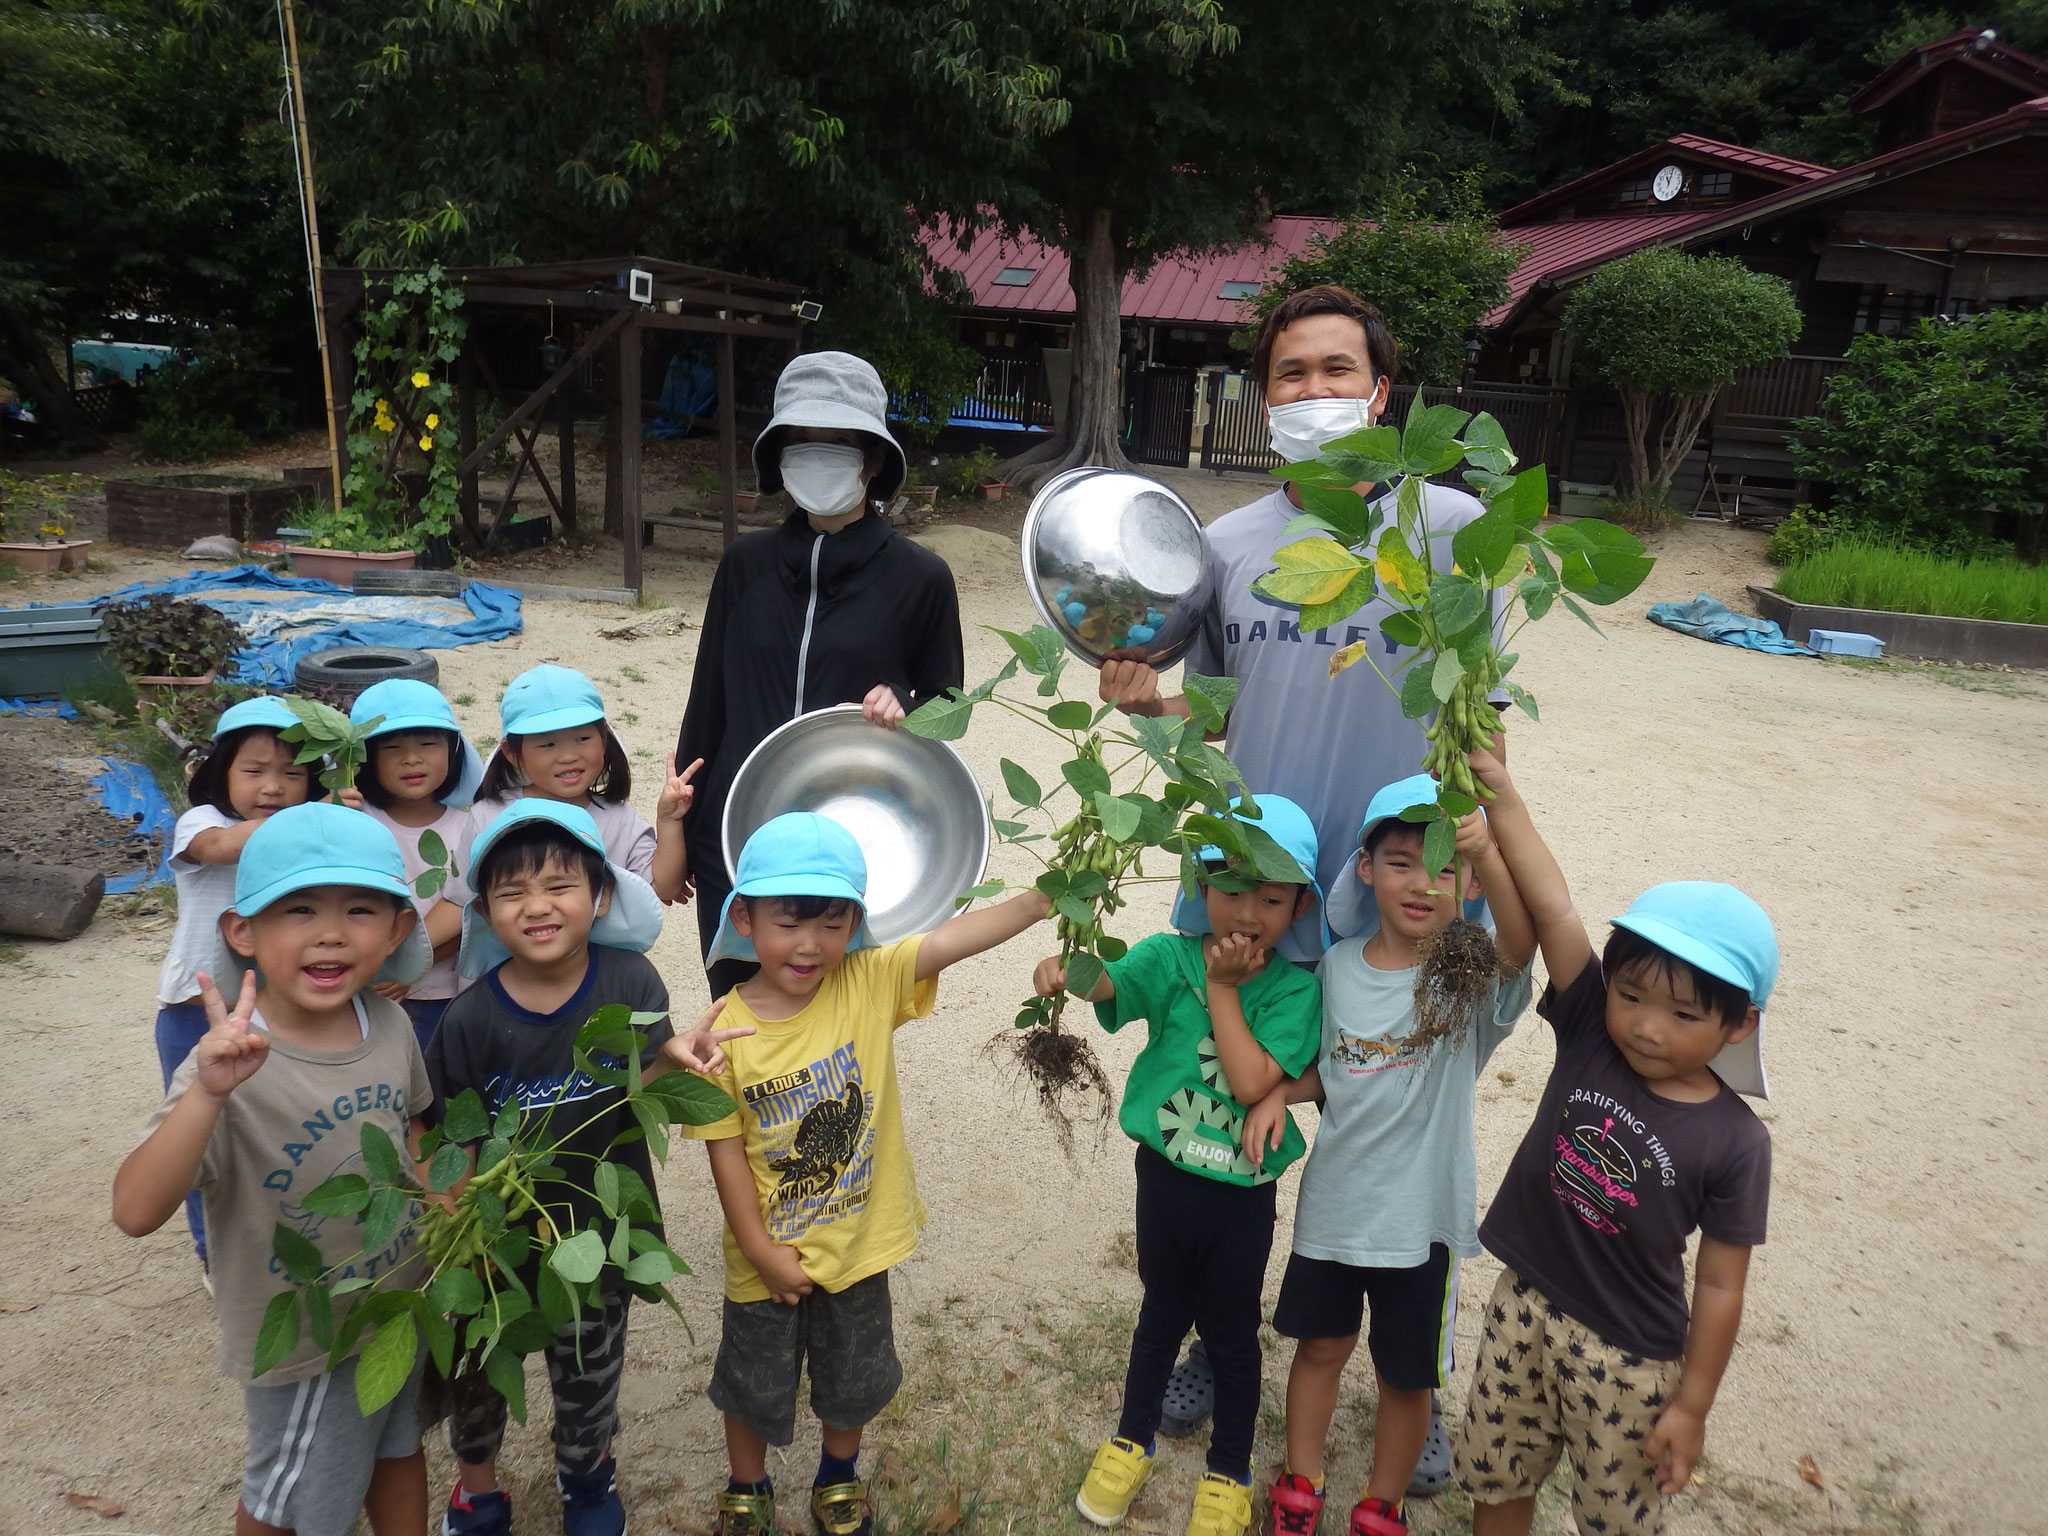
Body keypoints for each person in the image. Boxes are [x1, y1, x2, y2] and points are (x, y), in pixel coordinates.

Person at [1097, 283, 1501, 1478]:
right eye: (1291, 375)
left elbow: (1477, 726)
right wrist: (1146, 701)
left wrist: (1472, 861)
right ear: (1258, 398)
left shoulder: (1454, 532)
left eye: (1337, 371)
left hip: (1401, 891)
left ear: (1383, 393)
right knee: (1219, 1105)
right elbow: (1215, 711)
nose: (1315, 393)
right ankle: (1200, 1337)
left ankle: (1401, 1384)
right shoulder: (1221, 549)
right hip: (1252, 880)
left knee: (1390, 1118)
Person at [684, 812, 1052, 1536]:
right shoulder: (720, 1029)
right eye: (789, 921)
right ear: (744, 919)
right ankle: (747, 1485)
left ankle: (837, 1475)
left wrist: (1044, 898)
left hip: (860, 1241)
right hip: (768, 1258)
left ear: (855, 925)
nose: (810, 944)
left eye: (832, 921)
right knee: (752, 1384)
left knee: (853, 1378)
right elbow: (724, 1147)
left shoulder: (868, 980)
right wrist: (760, 1250)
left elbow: (953, 938)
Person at [1449, 748, 1776, 1536]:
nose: (1646, 1026)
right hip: (1523, 1304)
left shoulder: (1735, 1142)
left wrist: (1691, 1406)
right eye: (1631, 995)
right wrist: (1503, 795)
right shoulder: (1593, 1029)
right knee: (1497, 1479)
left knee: (1614, 1519)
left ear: (1739, 1025)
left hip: (1629, 1359)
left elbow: (1722, 1286)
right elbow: (1558, 911)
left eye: (1684, 1015)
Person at [112, 801, 435, 1536]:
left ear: (395, 932)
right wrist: (206, 1095)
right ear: (243, 932)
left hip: (393, 1304)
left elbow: (413, 1126)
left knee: (398, 1448)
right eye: (297, 909)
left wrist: (443, 1203)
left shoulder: (386, 1023)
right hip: (306, 1339)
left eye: (360, 908)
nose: (329, 932)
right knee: (289, 1494)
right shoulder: (228, 1065)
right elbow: (134, 1211)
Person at [1239, 776, 1536, 1536]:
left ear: (1467, 883)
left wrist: (1490, 852)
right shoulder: (1334, 969)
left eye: (1444, 868)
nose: (1422, 883)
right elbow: (1333, 1065)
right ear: (1365, 869)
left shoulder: (1462, 977)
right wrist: (1281, 1091)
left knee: (1406, 1379)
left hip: (1422, 1225)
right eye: (1401, 861)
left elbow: (1519, 944)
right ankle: (1300, 1484)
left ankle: (1382, 1502)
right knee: (1320, 1349)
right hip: (1335, 1209)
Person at [1050, 797, 1325, 1536]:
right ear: (1200, 886)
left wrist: (1225, 988)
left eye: (1272, 896)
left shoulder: (1297, 993)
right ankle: (1129, 1441)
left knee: (1232, 1330)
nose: (1247, 909)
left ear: (1301, 907)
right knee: (1160, 1312)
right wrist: (1072, 967)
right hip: (1164, 1178)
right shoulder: (1168, 958)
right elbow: (1113, 985)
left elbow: (1249, 1083)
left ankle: (1229, 1472)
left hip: (1241, 1194)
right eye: (1230, 887)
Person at [425, 799, 698, 1536]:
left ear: (600, 896)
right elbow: (450, 1137)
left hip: (598, 1232)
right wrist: (459, 1217)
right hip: (497, 1243)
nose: (537, 906)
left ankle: (587, 1473)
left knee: (590, 1365)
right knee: (477, 1363)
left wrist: (678, 1064)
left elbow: (652, 1079)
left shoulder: (632, 987)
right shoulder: (470, 1019)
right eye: (512, 893)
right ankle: (476, 1487)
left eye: (559, 886)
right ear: (483, 911)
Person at [675, 351, 964, 999]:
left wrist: (908, 705)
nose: (816, 456)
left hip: (853, 850)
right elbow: (706, 707)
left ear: (872, 460)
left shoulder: (920, 578)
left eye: (835, 444)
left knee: (836, 1042)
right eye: (800, 443)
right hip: (737, 843)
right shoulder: (743, 566)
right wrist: (683, 836)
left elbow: (952, 702)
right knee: (743, 1032)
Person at [151, 695, 318, 1275]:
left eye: (292, 774)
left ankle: (276, 1243)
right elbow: (222, 850)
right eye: (254, 771)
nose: (273, 787)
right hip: (192, 1012)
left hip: (269, 1013)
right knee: (198, 1135)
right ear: (221, 772)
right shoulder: (204, 823)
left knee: (272, 1135)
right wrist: (317, 818)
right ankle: (211, 1256)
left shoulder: (304, 832)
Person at [469, 665, 698, 905]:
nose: (568, 756)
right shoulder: (487, 816)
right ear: (513, 753)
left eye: (582, 738)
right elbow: (465, 902)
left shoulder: (620, 821)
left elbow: (665, 888)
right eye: (547, 744)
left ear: (604, 740)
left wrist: (669, 820)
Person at [343, 678, 487, 1048]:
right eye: (392, 747)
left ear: (452, 750)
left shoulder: (469, 828)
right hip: (365, 993)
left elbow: (472, 915)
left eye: (428, 743)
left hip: (446, 994)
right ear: (364, 758)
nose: (412, 758)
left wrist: (413, 968)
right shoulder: (354, 823)